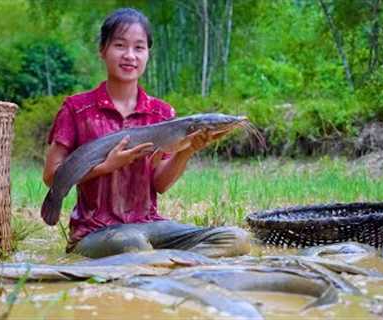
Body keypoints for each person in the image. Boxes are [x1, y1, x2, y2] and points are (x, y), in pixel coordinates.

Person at [43, 8, 250, 259]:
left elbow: (160, 184)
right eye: (120, 45)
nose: (130, 55)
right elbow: (52, 177)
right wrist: (106, 166)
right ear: (103, 50)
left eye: (139, 48)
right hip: (98, 232)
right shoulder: (77, 108)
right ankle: (169, 264)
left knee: (236, 239)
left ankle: (172, 264)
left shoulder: (161, 112)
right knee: (132, 244)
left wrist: (189, 149)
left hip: (151, 226)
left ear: (148, 54)